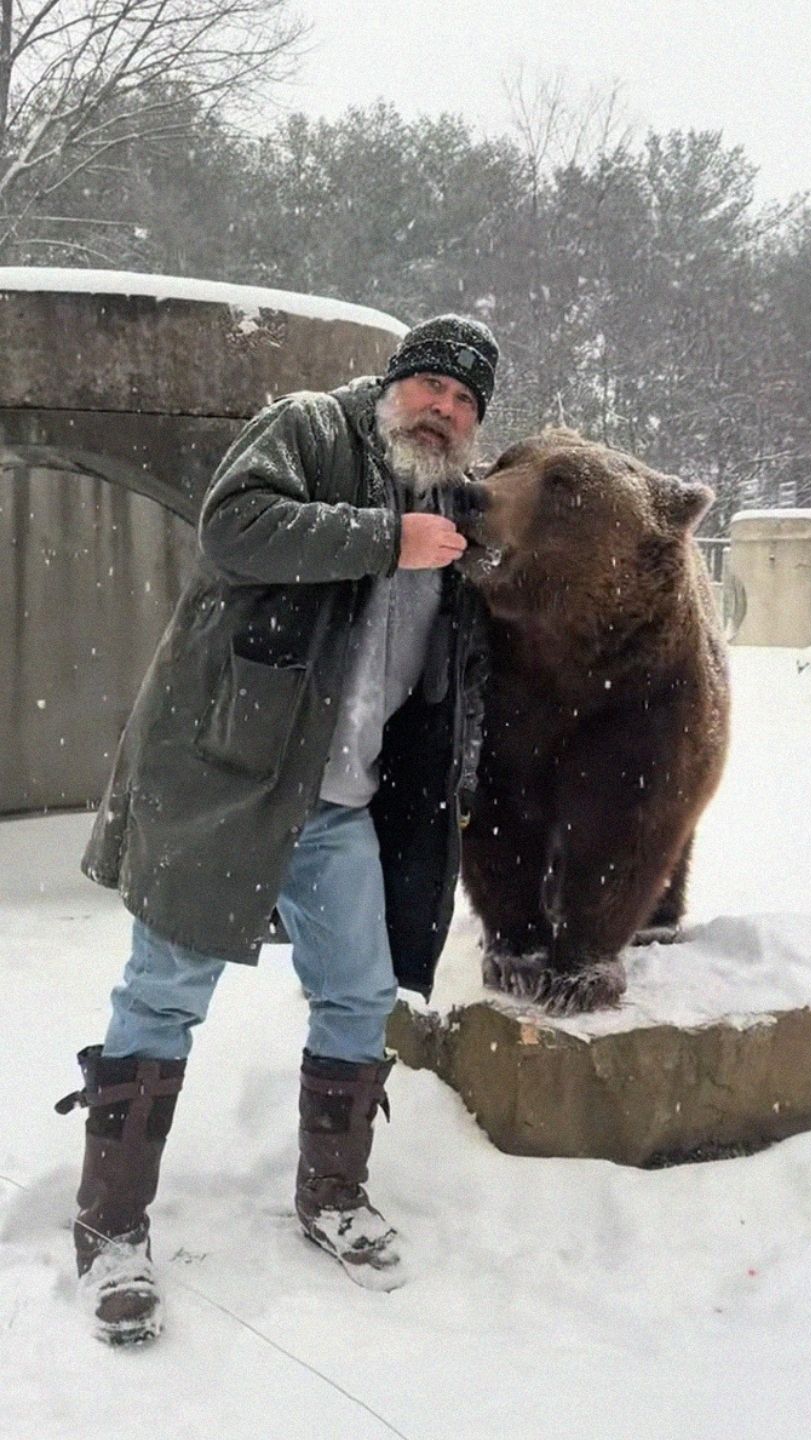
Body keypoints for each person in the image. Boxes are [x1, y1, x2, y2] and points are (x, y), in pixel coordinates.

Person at [58, 315, 501, 1345]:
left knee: (357, 994)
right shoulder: (310, 431)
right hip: (231, 780)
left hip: (341, 802)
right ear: (394, 384)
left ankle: (331, 1193)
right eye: (431, 385)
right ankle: (110, 1228)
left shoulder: (458, 506)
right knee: (162, 995)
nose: (444, 408)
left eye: (466, 401)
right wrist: (383, 540)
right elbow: (235, 526)